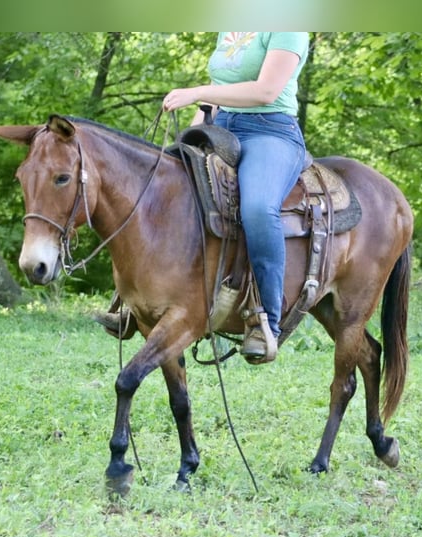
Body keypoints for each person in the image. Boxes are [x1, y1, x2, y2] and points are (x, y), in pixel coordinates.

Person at [97, 32, 309, 363]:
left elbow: (267, 90)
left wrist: (196, 92)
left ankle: (265, 320)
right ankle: (135, 301)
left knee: (256, 208)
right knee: (161, 189)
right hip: (218, 125)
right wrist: (184, 140)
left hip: (269, 130)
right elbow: (219, 89)